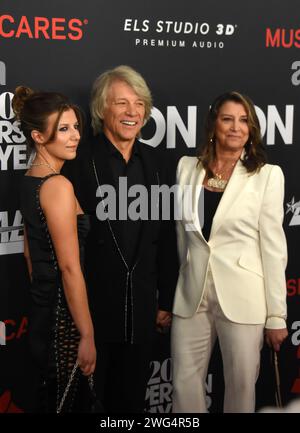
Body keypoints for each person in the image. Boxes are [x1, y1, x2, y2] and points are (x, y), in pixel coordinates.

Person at [63, 65, 178, 413]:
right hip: (93, 310)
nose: (132, 112)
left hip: (143, 310)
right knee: (88, 404)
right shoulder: (80, 161)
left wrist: (165, 299)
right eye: (122, 103)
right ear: (102, 109)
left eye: (139, 103)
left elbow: (166, 236)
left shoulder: (158, 163)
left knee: (129, 404)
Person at [171, 91, 288, 413]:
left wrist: (276, 314)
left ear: (251, 129)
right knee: (183, 381)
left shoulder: (266, 175)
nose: (236, 127)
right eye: (227, 119)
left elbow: (274, 247)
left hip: (244, 294)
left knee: (240, 386)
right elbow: (182, 236)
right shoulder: (186, 169)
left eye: (244, 120)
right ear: (213, 125)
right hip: (192, 293)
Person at [13, 86, 96, 412]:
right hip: (64, 324)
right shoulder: (57, 186)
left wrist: (45, 300)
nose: (74, 135)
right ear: (38, 135)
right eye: (63, 129)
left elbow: (30, 255)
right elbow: (70, 268)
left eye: (75, 126)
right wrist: (86, 335)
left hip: (43, 314)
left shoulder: (30, 179)